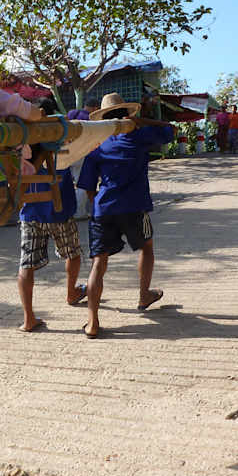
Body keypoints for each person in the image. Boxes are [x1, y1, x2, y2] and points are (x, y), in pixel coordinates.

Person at [77, 93, 175, 339]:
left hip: (103, 209)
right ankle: (144, 294)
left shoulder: (96, 148)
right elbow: (169, 130)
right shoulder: (139, 137)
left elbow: (88, 188)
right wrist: (142, 121)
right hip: (135, 207)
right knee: (146, 247)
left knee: (98, 262)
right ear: (128, 116)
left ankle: (93, 322)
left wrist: (101, 206)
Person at [17, 140, 86, 332]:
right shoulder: (60, 155)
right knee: (72, 253)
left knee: (26, 264)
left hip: (30, 216)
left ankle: (28, 318)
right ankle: (71, 293)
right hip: (60, 215)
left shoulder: (19, 157)